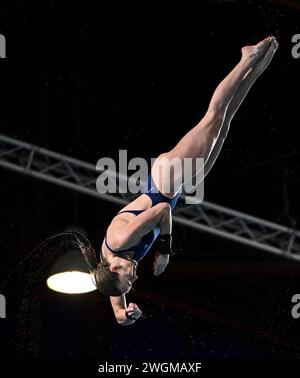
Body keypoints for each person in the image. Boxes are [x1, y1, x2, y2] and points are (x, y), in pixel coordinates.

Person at [82, 36, 278, 325]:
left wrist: (165, 250)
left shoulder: (121, 242)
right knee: (224, 123)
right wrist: (123, 314)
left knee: (212, 118)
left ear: (114, 268)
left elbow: (162, 212)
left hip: (166, 180)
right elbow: (116, 303)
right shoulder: (111, 269)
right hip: (176, 186)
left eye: (128, 280)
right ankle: (257, 69)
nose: (134, 279)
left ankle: (246, 59)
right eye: (130, 285)